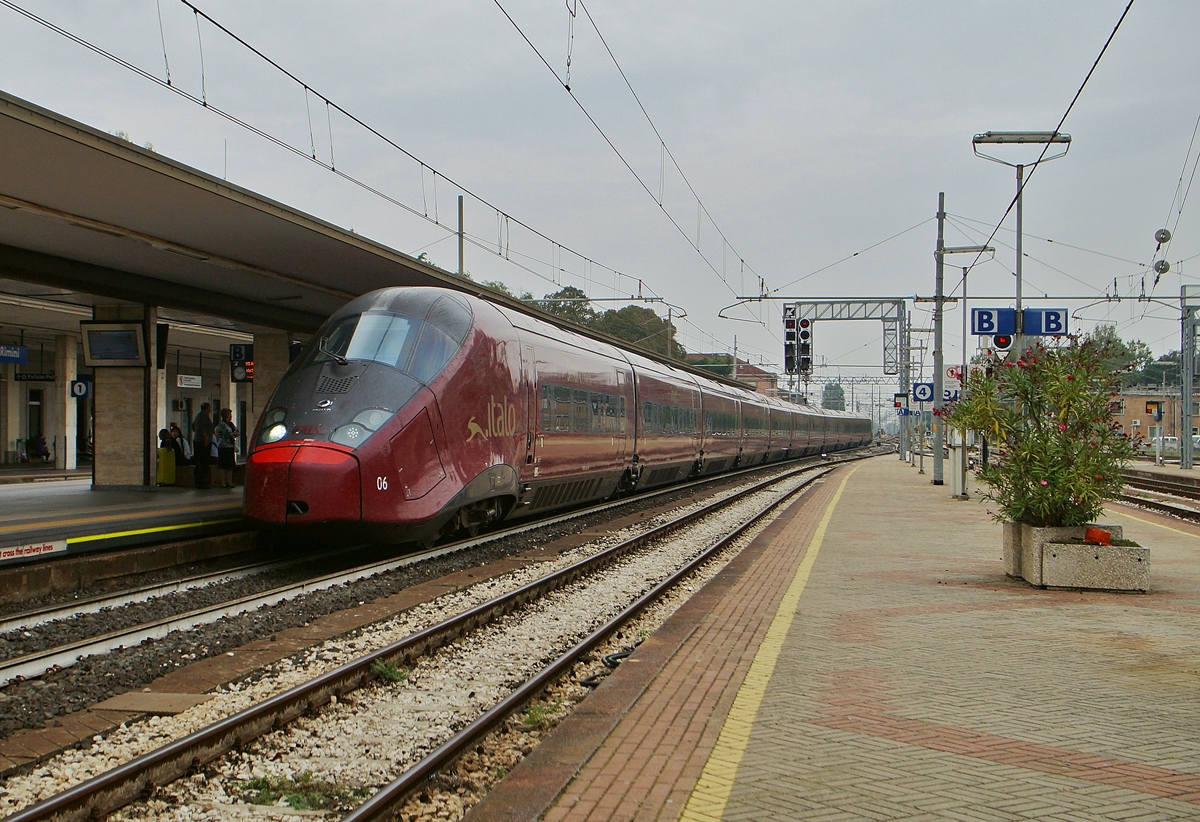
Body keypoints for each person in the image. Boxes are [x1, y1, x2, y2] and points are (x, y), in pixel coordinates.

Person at [214, 408, 239, 488]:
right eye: (229, 414)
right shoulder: (221, 425)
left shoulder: (231, 424)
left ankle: (229, 481)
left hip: (230, 446)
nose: (231, 416)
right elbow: (226, 434)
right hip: (223, 447)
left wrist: (234, 434)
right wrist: (232, 434)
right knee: (223, 465)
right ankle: (223, 482)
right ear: (226, 415)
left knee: (230, 465)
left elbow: (237, 432)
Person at [192, 402, 214, 489]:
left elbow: (193, 426)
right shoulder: (204, 415)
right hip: (202, 442)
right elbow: (201, 428)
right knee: (203, 462)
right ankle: (202, 482)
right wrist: (206, 438)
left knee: (199, 462)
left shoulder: (198, 415)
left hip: (198, 440)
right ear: (207, 408)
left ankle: (199, 482)